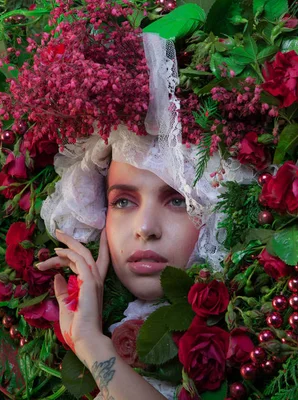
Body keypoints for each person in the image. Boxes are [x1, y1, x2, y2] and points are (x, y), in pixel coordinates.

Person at [36, 35, 254, 399]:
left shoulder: (247, 344)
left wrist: (90, 342)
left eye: (178, 202)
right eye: (122, 202)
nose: (145, 229)